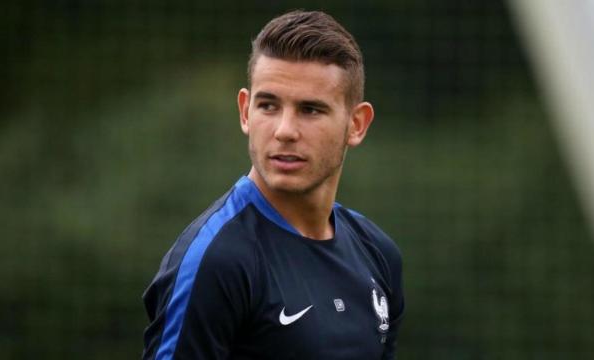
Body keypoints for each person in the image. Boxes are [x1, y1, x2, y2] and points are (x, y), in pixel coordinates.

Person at [142, 10, 404, 360]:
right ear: (245, 112)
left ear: (356, 124)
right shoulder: (216, 261)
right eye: (268, 105)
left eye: (310, 110)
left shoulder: (378, 255)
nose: (284, 130)